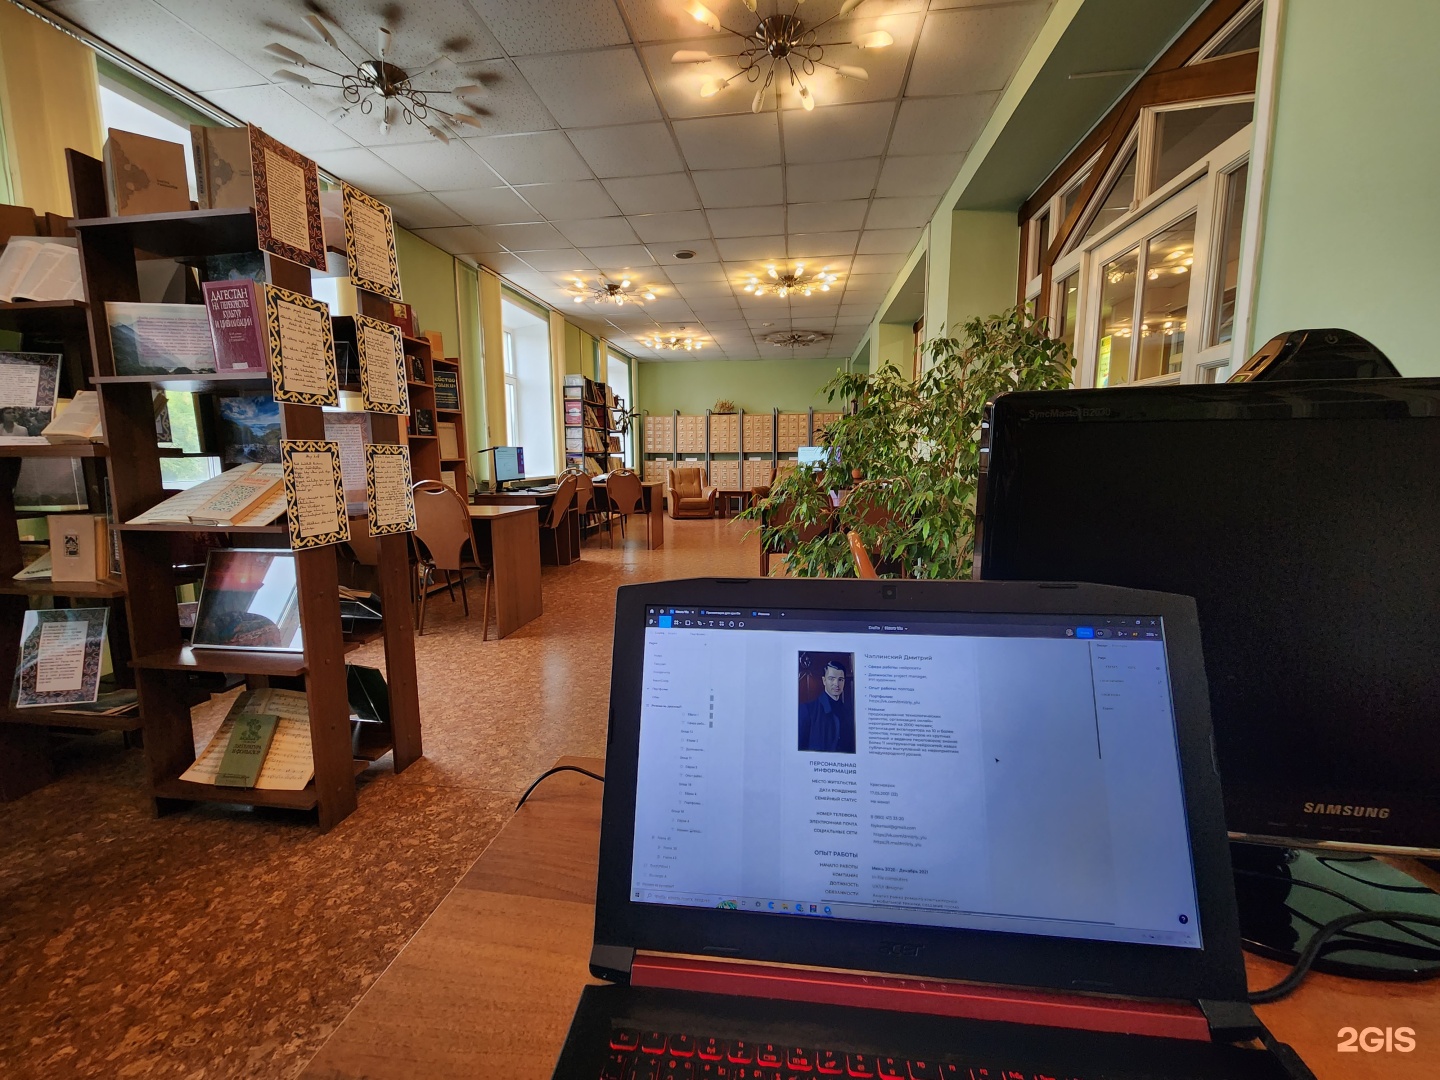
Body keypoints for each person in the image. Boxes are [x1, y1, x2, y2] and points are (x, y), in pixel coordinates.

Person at [798, 660, 855, 753]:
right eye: (831, 679)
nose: (836, 684)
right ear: (824, 680)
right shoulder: (807, 710)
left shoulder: (849, 711)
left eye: (840, 679)